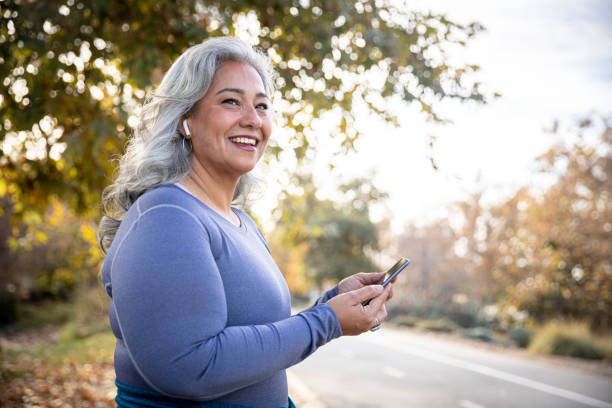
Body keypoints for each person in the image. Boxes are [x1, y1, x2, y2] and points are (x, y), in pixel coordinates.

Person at [98, 36, 393, 408]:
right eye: (230, 101)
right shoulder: (165, 216)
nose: (252, 119)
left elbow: (256, 340)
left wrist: (332, 304)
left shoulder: (242, 223)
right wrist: (326, 322)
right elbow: (189, 368)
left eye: (262, 105)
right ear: (185, 119)